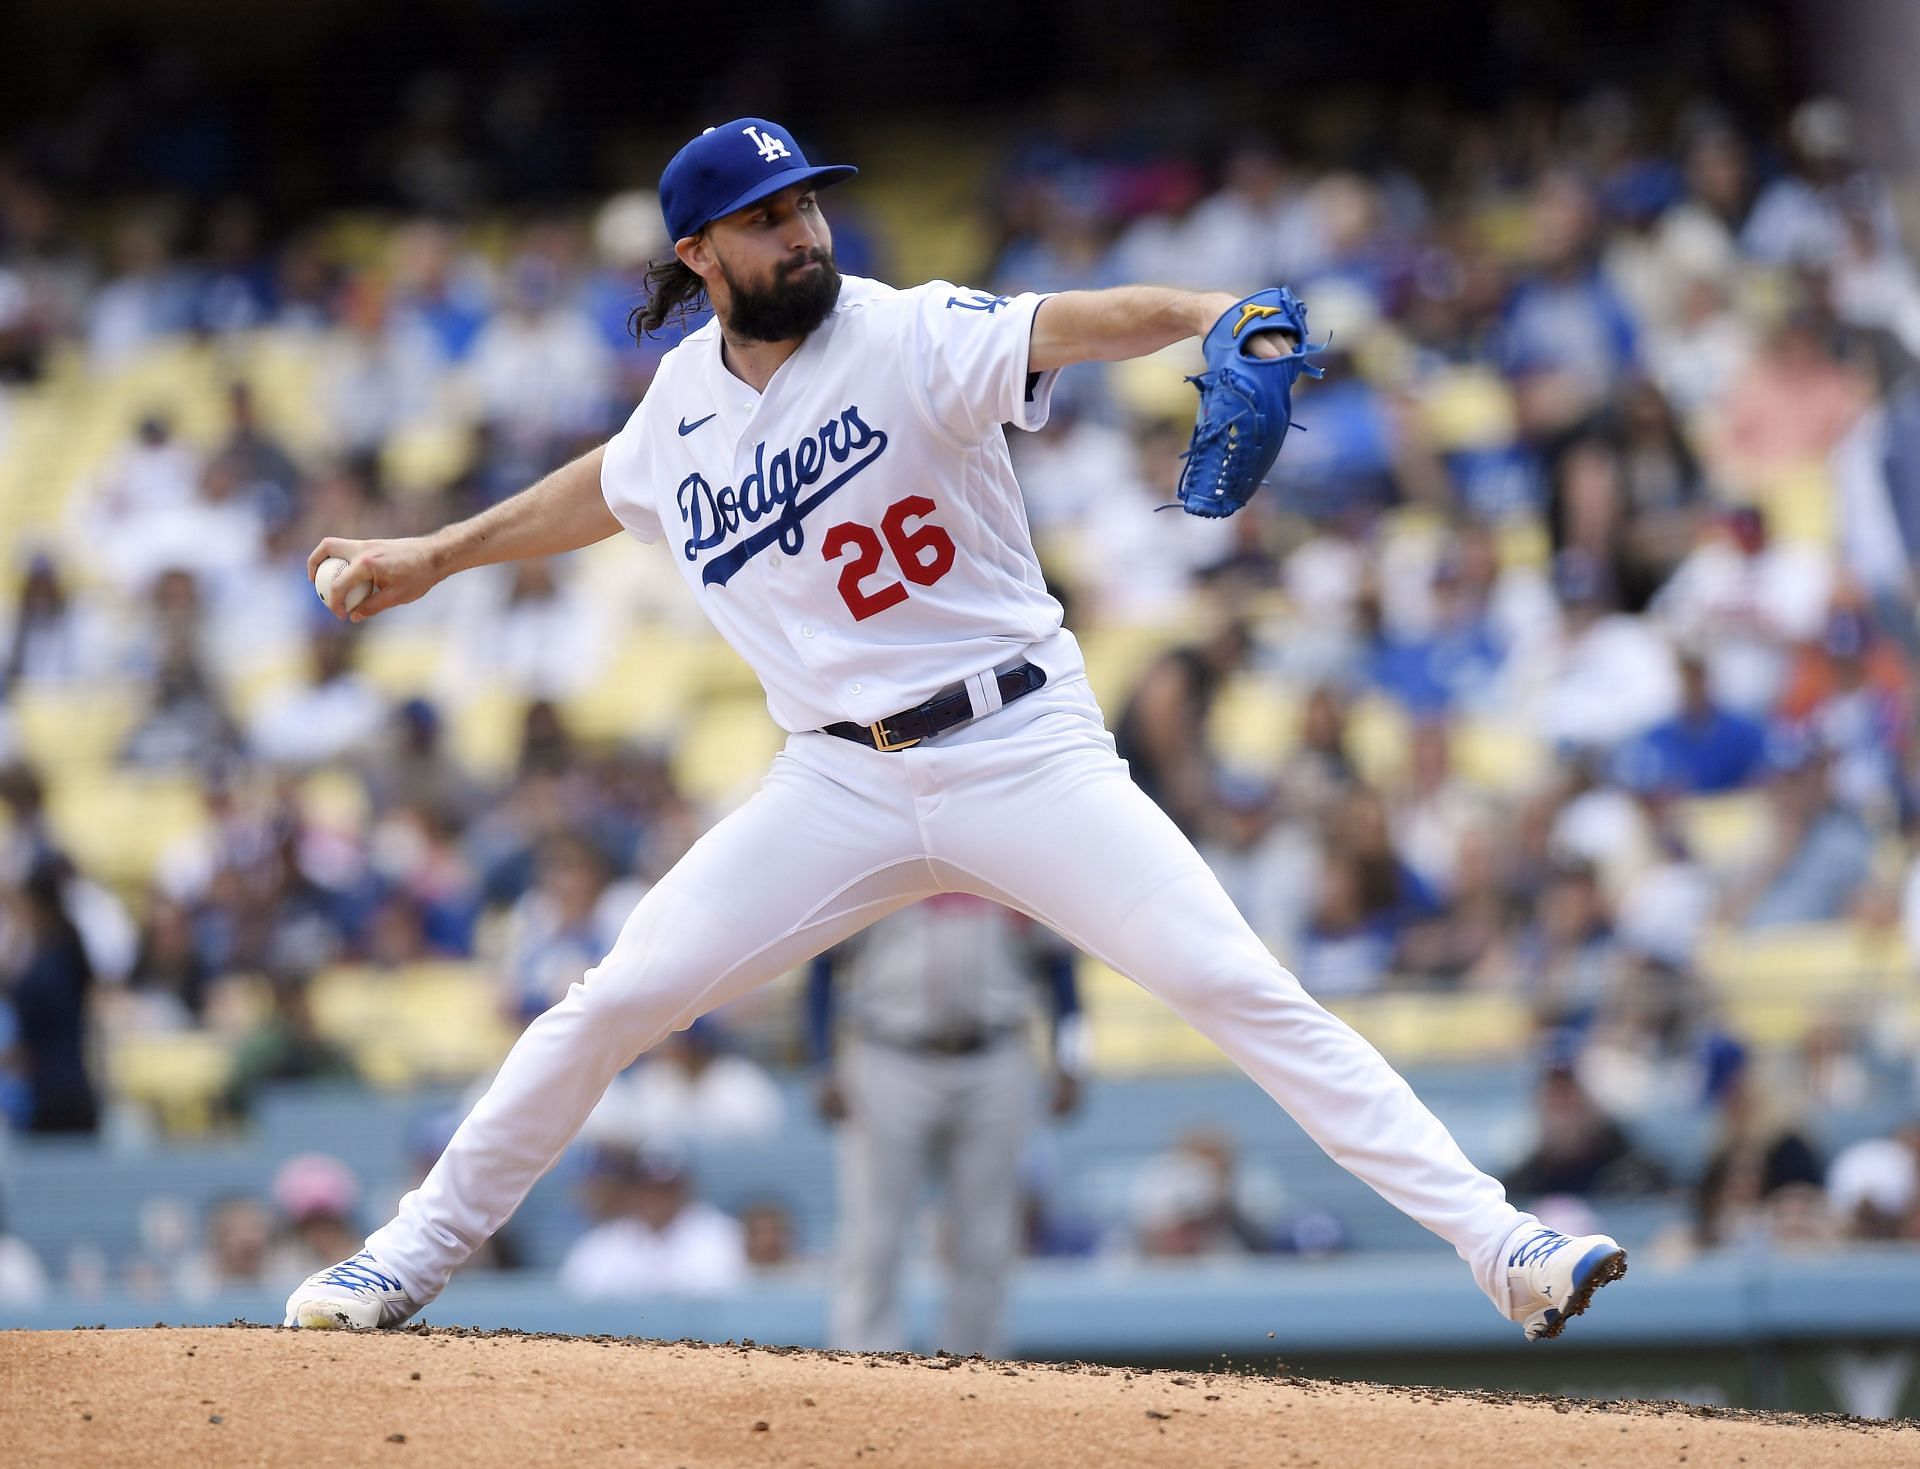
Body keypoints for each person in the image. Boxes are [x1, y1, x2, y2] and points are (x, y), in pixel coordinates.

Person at [284, 116, 1622, 1343]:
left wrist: (1221, 314)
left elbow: (1091, 322)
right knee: (614, 999)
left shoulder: (908, 329)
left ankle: (1503, 1243)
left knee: (1234, 985)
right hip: (836, 782)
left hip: (1020, 746)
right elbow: (614, 482)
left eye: (805, 202)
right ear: (696, 254)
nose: (801, 228)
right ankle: (400, 1258)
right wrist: (439, 556)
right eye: (764, 217)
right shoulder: (682, 403)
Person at [806, 893, 1084, 1357]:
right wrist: (822, 1063)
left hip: (995, 1055)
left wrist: (1073, 1059)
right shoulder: (882, 856)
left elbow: (1061, 971)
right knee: (874, 1230)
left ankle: (974, 1370)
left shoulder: (1011, 858)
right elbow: (821, 970)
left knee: (988, 1234)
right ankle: (863, 1367)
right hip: (889, 1053)